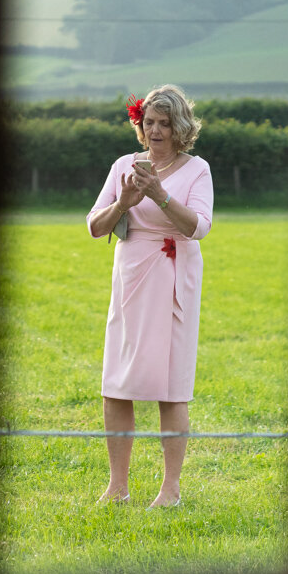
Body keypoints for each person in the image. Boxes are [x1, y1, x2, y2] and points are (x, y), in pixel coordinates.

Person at [86, 84, 213, 509]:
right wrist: (124, 200)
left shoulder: (197, 170)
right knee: (116, 385)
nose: (155, 130)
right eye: (149, 122)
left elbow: (199, 226)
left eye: (164, 123)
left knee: (171, 387)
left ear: (181, 128)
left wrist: (160, 194)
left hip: (173, 276)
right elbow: (95, 227)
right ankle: (117, 487)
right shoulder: (124, 164)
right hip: (130, 276)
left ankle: (170, 490)